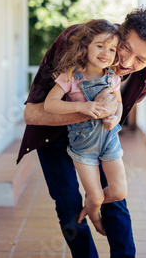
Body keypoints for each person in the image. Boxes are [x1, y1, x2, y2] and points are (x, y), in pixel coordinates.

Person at [17, 6, 146, 258]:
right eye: (125, 48)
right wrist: (88, 110)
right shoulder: (76, 40)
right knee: (68, 204)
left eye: (140, 60)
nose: (126, 62)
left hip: (99, 137)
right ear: (120, 33)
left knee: (115, 199)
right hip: (54, 134)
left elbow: (121, 105)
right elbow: (32, 114)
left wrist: (108, 107)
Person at [43, 19, 126, 236]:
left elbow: (118, 104)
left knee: (118, 191)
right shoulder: (71, 75)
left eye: (112, 49)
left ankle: (91, 202)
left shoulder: (113, 78)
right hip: (83, 146)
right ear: (85, 46)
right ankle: (96, 216)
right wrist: (81, 106)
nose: (105, 52)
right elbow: (50, 104)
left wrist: (116, 118)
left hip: (109, 140)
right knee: (98, 197)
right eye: (99, 45)